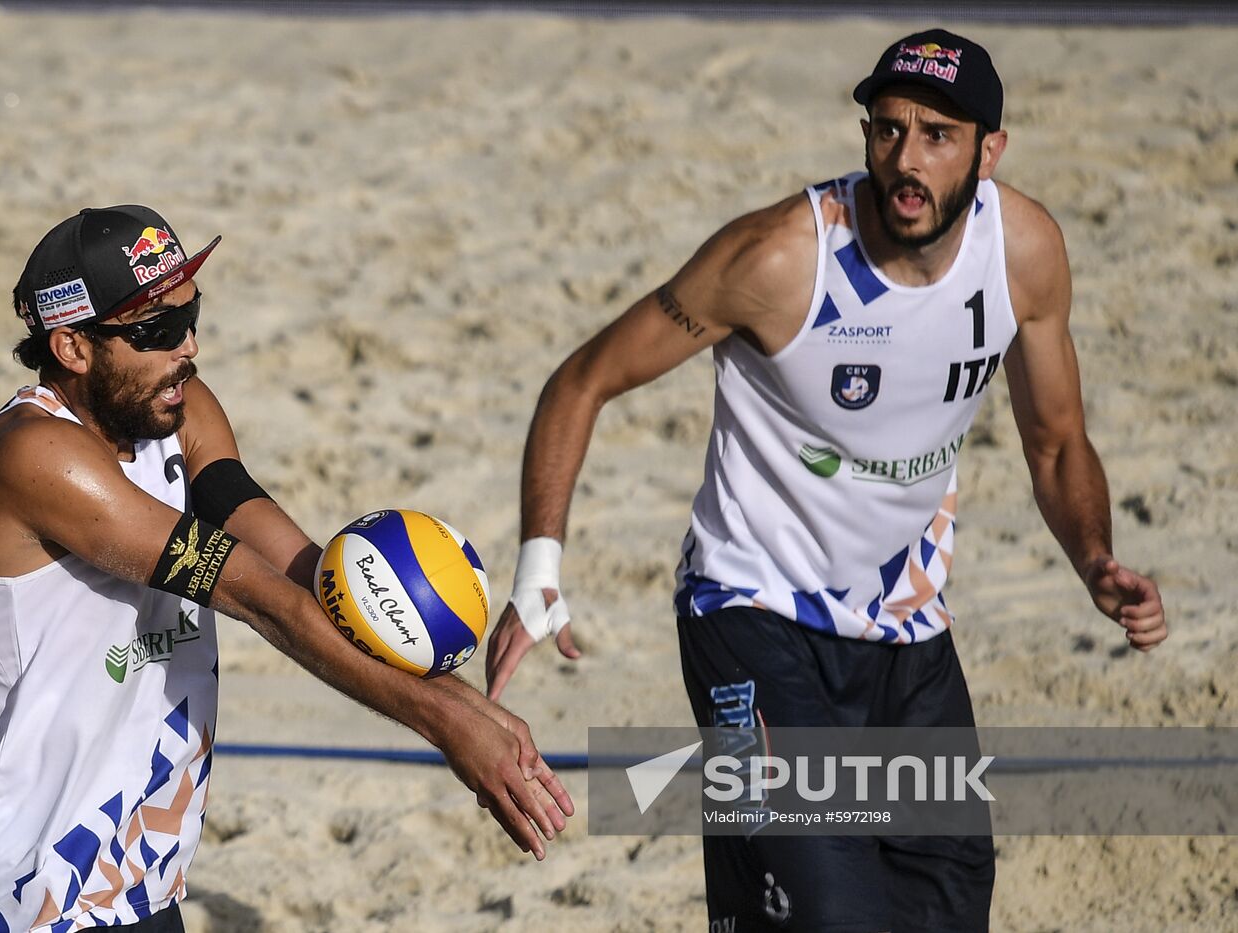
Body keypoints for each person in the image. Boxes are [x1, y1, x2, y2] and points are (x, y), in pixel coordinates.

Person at [484, 28, 1166, 933]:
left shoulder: (1023, 253)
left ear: (989, 150)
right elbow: (583, 380)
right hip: (748, 617)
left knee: (945, 911)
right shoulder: (778, 260)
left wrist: (1095, 558)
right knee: (824, 914)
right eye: (887, 130)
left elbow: (1057, 442)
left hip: (907, 624)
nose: (906, 161)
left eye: (937, 135)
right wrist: (538, 570)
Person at [0, 205, 573, 933]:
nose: (188, 347)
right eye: (156, 331)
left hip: (139, 884)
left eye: (191, 314)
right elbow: (258, 598)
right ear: (71, 346)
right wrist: (448, 723)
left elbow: (303, 577)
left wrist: (480, 713)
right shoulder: (29, 455)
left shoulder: (182, 409)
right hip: (15, 899)